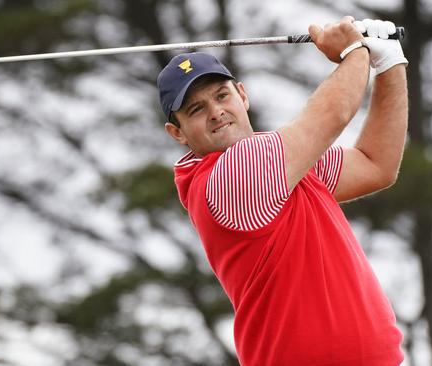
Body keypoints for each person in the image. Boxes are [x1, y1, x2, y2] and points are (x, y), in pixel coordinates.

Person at [157, 16, 408, 366]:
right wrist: (354, 50)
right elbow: (334, 113)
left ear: (242, 95)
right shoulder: (233, 173)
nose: (216, 112)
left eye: (221, 95)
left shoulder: (282, 166)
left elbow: (375, 164)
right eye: (196, 109)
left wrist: (389, 63)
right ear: (177, 133)